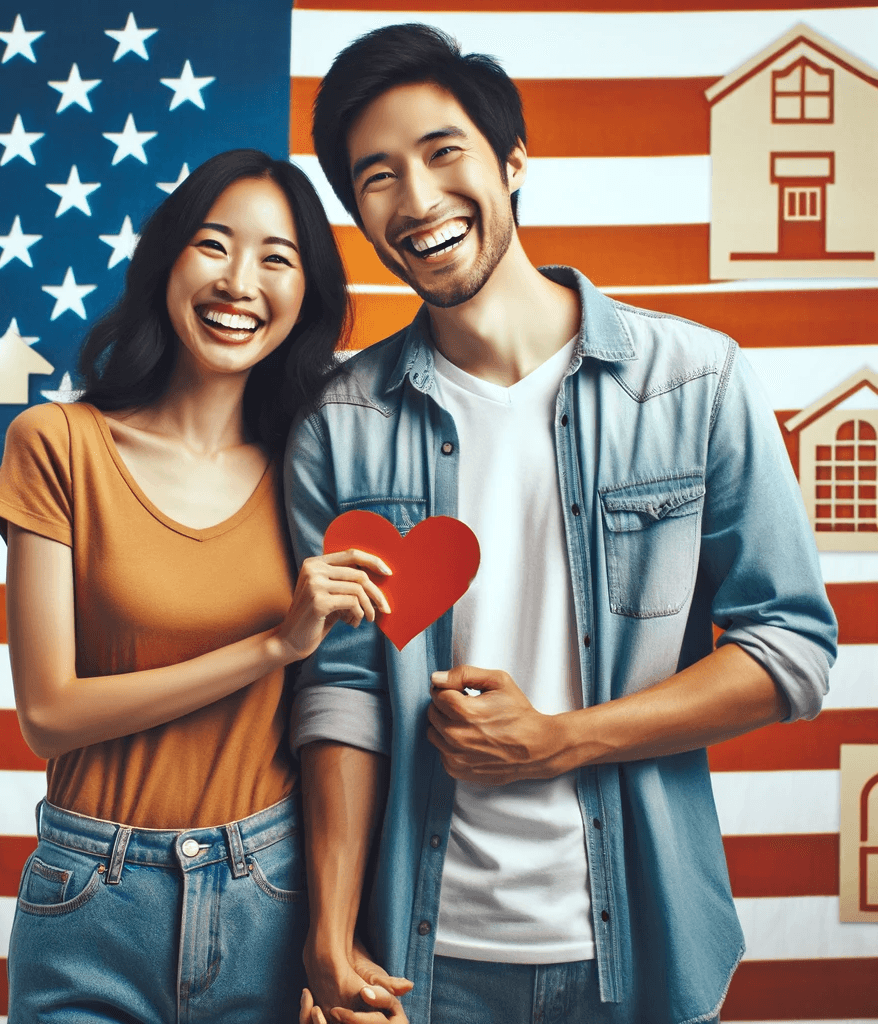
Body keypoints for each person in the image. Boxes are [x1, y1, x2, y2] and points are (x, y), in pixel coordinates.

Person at [287, 25, 838, 1024]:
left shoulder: (695, 381)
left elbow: (790, 648)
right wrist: (327, 932)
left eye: (442, 153)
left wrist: (561, 739)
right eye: (376, 177)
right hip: (417, 961)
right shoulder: (341, 422)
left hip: (644, 946)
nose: (415, 200)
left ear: (512, 162)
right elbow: (338, 688)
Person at [0, 149, 395, 1023]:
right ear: (166, 260)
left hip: (272, 893)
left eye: (276, 259)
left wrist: (332, 925)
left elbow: (349, 705)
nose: (240, 282)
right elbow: (48, 713)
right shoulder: (58, 444)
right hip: (92, 893)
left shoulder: (316, 467)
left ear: (306, 296)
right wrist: (272, 645)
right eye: (214, 245)